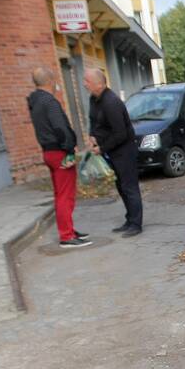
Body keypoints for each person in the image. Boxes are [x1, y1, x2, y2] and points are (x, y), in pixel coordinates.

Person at [27, 67, 90, 249]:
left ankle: (68, 229)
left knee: (59, 194)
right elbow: (60, 128)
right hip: (59, 153)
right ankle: (67, 235)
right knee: (65, 195)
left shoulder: (35, 102)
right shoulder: (50, 102)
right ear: (50, 81)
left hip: (48, 152)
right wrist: (70, 149)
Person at [84, 68, 142, 237]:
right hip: (111, 151)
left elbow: (121, 133)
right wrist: (92, 136)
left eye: (87, 81)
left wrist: (101, 148)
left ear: (99, 83)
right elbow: (93, 121)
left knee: (129, 186)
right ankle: (129, 219)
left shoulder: (111, 102)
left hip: (124, 150)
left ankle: (136, 224)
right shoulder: (94, 99)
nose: (84, 84)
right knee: (120, 186)